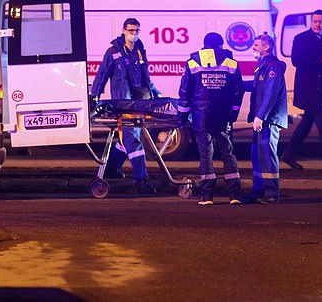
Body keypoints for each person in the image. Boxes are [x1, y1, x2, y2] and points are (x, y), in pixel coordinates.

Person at [91, 18, 162, 194]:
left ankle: (111, 169)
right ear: (123, 30)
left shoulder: (139, 50)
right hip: (124, 102)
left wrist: (156, 93)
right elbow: (102, 75)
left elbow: (146, 77)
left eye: (137, 31)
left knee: (126, 140)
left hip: (140, 101)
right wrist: (94, 96)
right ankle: (142, 179)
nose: (134, 34)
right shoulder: (114, 51)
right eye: (131, 30)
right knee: (132, 138)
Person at [177, 32, 245, 205]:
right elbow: (238, 90)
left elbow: (185, 92)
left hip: (202, 116)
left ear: (204, 45)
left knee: (206, 155)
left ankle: (207, 196)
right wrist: (234, 113)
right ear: (221, 45)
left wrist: (182, 117)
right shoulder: (231, 62)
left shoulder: (193, 62)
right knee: (228, 154)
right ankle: (234, 195)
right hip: (223, 116)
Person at [280, 9, 322, 170]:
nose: (318, 24)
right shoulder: (301, 38)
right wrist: (320, 60)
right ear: (311, 22)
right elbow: (297, 60)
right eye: (315, 21)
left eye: (321, 22)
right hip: (309, 90)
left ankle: (288, 154)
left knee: (306, 122)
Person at [244, 34, 288, 204]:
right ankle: (258, 190)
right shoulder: (262, 66)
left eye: (256, 45)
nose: (253, 47)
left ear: (266, 47)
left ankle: (271, 192)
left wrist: (260, 116)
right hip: (262, 120)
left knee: (267, 155)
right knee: (257, 155)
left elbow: (270, 94)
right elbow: (256, 87)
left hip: (268, 120)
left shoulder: (272, 67)